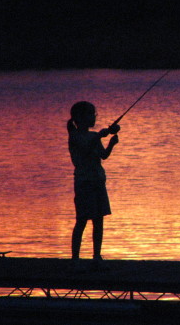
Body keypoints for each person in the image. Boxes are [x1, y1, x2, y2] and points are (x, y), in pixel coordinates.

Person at [67, 101, 120, 269]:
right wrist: (100, 135)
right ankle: (75, 259)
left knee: (99, 220)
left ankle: (96, 257)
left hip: (98, 181)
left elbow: (103, 156)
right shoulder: (75, 136)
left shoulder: (93, 136)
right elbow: (84, 148)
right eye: (90, 114)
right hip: (84, 183)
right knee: (81, 220)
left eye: (94, 114)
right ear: (79, 118)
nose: (93, 117)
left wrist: (111, 142)